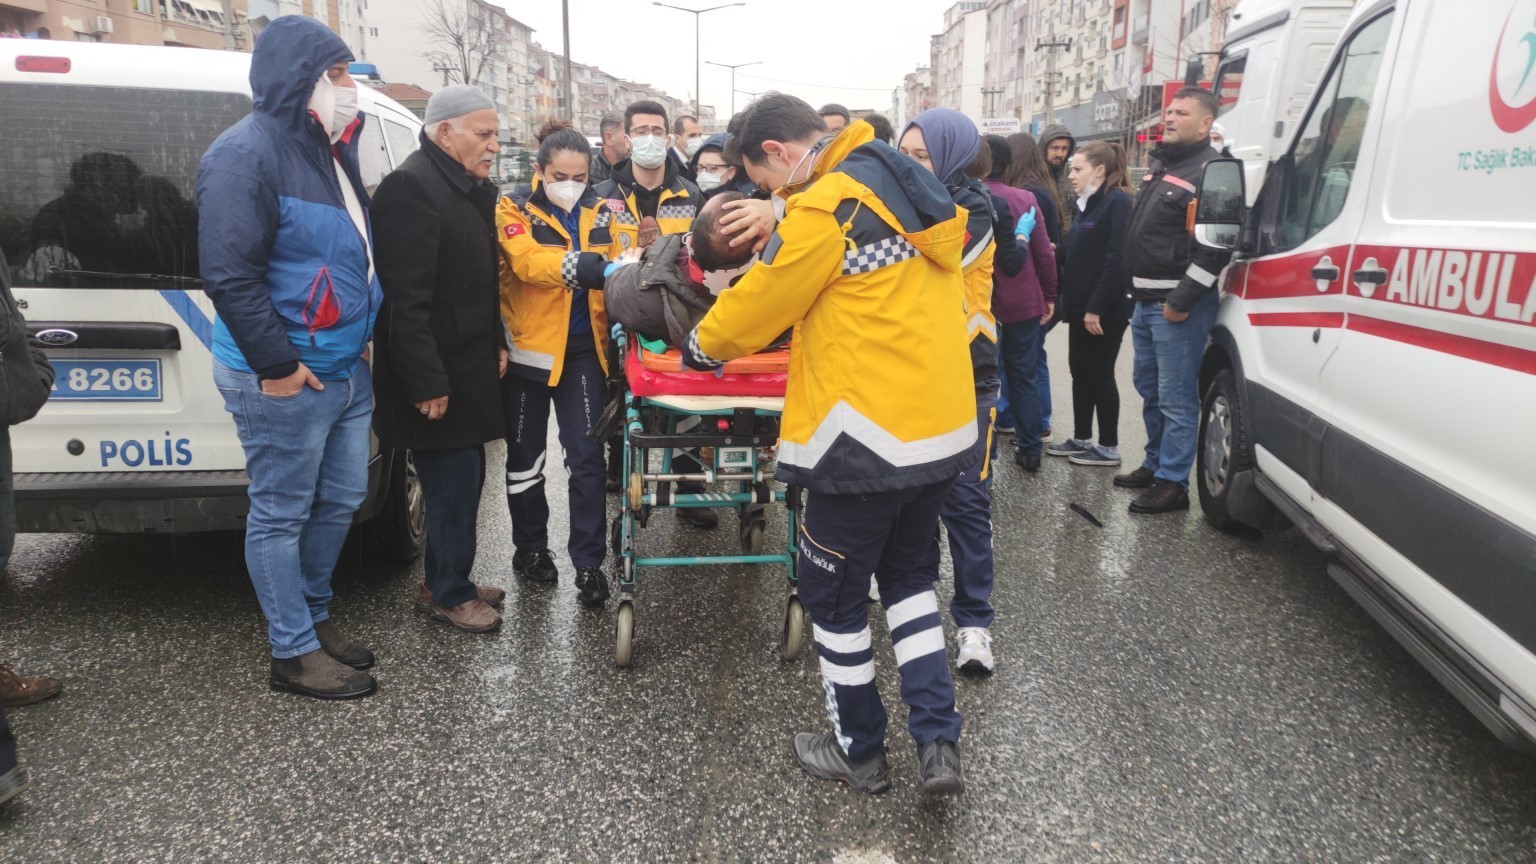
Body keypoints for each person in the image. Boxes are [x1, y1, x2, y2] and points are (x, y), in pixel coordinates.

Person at [683, 95, 974, 796]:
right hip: (936, 430)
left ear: (778, 151)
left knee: (833, 597)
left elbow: (761, 303)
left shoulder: (824, 208)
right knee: (908, 584)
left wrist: (701, 344)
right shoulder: (902, 182)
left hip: (864, 439)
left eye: (762, 180)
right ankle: (939, 745)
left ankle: (860, 750)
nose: (766, 194)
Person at [198, 16, 380, 700]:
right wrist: (277, 366)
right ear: (300, 77)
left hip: (343, 366)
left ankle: (311, 615)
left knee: (339, 499)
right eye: (336, 74)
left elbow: (346, 254)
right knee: (281, 511)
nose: (349, 88)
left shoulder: (327, 149)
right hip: (282, 375)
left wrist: (365, 327)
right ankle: (292, 652)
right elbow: (230, 275)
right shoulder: (244, 154)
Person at [371, 86, 508, 633]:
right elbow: (407, 300)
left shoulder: (464, 186)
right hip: (437, 374)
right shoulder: (412, 188)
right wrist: (426, 381)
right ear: (444, 131)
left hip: (467, 364)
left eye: (495, 134)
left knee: (466, 479)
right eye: (484, 134)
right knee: (451, 488)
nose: (494, 145)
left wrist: (496, 337)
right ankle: (449, 594)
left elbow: (478, 282)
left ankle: (447, 576)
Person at [497, 121, 639, 607]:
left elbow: (628, 258)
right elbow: (527, 262)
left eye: (580, 177)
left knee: (586, 461)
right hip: (529, 355)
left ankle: (589, 563)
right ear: (540, 170)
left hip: (585, 353)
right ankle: (531, 548)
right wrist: (592, 269)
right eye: (561, 174)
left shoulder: (606, 212)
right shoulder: (512, 208)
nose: (571, 185)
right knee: (525, 462)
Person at [898, 109, 1002, 673]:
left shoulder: (975, 206)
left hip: (967, 374)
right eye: (903, 154)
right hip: (907, 371)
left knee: (965, 504)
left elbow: (938, 258)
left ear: (953, 157)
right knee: (899, 494)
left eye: (922, 157)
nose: (909, 166)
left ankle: (973, 623)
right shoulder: (893, 201)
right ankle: (903, 596)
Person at [1117, 87, 1232, 513]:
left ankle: (1173, 483)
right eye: (1168, 111)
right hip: (1146, 302)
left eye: (1181, 113)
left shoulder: (1213, 172)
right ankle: (1154, 464)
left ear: (1206, 124)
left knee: (1177, 397)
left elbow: (1217, 248)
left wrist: (1181, 300)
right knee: (1149, 389)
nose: (1169, 118)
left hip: (1175, 307)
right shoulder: (1164, 166)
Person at [1045, 141, 1135, 468]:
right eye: (1071, 169)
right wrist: (1052, 247)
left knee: (1100, 373)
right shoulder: (1088, 204)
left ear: (1100, 170)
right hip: (1080, 306)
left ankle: (1108, 446)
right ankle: (1082, 437)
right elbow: (1078, 251)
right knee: (1079, 372)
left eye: (1077, 168)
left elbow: (1117, 261)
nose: (1071, 175)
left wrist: (1096, 307)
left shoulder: (1118, 202)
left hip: (1104, 310)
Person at [983, 135, 1056, 475]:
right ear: (1008, 166)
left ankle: (985, 457)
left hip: (983, 305)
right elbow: (1044, 253)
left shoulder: (965, 198)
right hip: (1025, 302)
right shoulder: (1025, 198)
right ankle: (1030, 450)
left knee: (983, 381)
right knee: (1023, 376)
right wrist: (1050, 295)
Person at [603, 192, 758, 346]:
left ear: (690, 241)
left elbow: (614, 292)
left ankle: (649, 259)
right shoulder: (775, 298)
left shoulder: (639, 297)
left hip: (659, 319)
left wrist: (629, 268)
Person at [1000, 132, 1066, 441]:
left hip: (1024, 293)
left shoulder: (1026, 194)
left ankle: (1035, 423)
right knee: (1028, 364)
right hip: (1032, 294)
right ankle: (1032, 428)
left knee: (1025, 365)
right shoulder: (1039, 189)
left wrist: (1050, 294)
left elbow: (1040, 251)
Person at [593, 100, 703, 246]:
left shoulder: (692, 197)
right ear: (627, 141)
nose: (650, 139)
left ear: (668, 142)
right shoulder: (601, 197)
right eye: (641, 132)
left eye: (657, 132)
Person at [689, 134, 757, 201]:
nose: (703, 174)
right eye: (700, 168)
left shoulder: (746, 202)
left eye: (712, 168)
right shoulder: (693, 198)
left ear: (731, 172)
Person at [1040, 123, 1076, 233]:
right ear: (1044, 148)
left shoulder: (1072, 175)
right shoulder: (1036, 175)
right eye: (1055, 148)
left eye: (1064, 148)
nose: (1059, 153)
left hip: (1066, 241)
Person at [588, 113, 629, 187]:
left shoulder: (634, 169)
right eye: (627, 135)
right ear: (609, 138)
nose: (631, 140)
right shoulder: (589, 172)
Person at [670, 114, 703, 180]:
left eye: (699, 135)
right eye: (692, 135)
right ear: (677, 139)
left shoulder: (695, 162)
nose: (698, 139)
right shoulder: (668, 164)